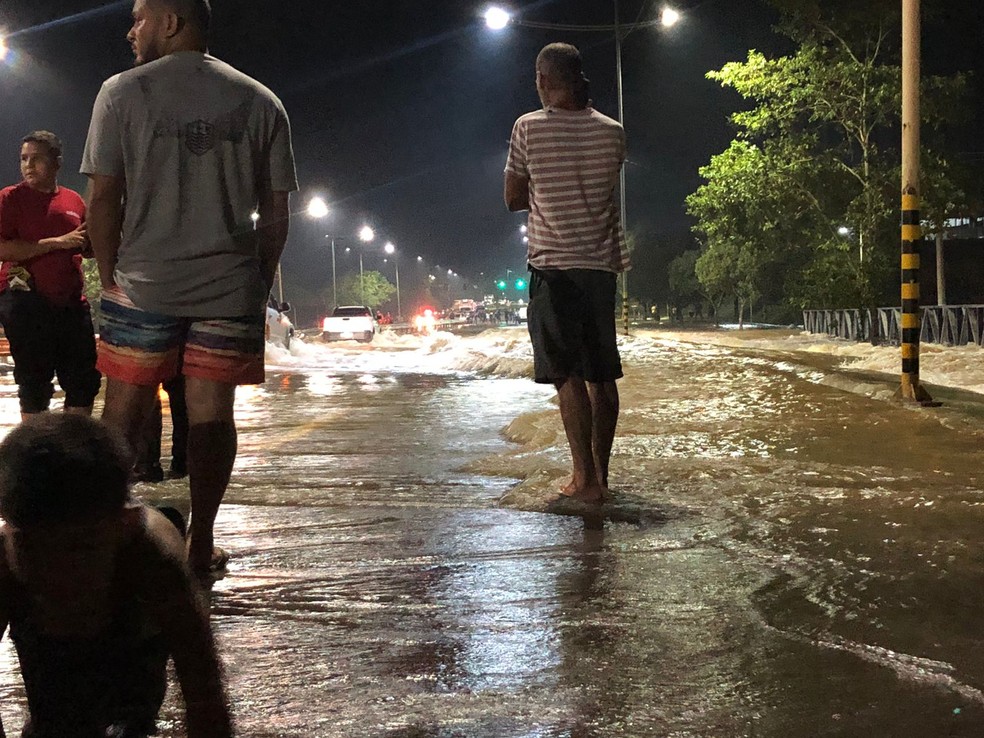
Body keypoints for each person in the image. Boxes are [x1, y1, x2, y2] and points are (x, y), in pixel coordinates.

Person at [81, 0, 297, 574]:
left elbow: (103, 201)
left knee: (121, 414)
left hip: (144, 282)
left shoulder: (120, 93)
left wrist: (110, 281)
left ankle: (104, 540)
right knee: (211, 415)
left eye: (139, 18)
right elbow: (277, 213)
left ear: (171, 23)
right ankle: (200, 543)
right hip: (229, 287)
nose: (131, 31)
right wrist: (257, 281)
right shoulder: (261, 100)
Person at [0, 413, 233, 738]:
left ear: (123, 525)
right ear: (7, 530)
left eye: (79, 550)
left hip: (134, 653)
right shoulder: (4, 562)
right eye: (34, 553)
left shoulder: (153, 557)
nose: (57, 575)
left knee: (127, 719)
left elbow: (204, 697)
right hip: (54, 677)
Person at [504, 42, 629, 505]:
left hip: (553, 266)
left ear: (542, 79)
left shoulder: (528, 129)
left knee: (566, 375)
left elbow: (513, 198)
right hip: (601, 265)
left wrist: (543, 191)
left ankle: (583, 480)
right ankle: (603, 476)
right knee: (601, 375)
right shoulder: (614, 133)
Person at [0, 131, 102, 421]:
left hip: (71, 301)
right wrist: (58, 242)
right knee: (34, 384)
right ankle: (36, 454)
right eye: (23, 159)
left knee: (84, 380)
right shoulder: (10, 198)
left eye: (36, 159)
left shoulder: (73, 200)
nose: (28, 165)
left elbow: (87, 246)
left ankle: (76, 449)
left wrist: (96, 240)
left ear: (57, 162)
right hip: (26, 301)